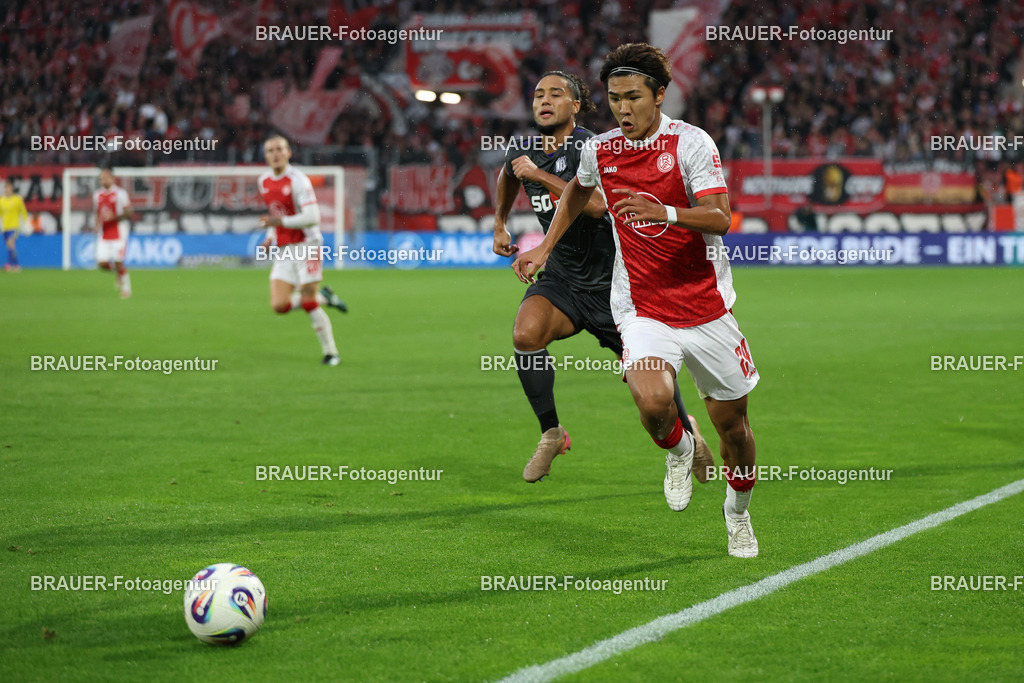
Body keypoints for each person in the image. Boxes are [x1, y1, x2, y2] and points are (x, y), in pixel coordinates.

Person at [513, 43, 761, 558]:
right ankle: (679, 449)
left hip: (707, 308)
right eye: (613, 99)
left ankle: (738, 513)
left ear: (660, 95)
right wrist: (544, 246)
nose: (622, 109)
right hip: (642, 307)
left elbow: (720, 218)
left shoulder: (692, 144)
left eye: (633, 98)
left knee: (733, 427)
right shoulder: (599, 149)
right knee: (652, 404)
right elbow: (579, 192)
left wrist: (665, 212)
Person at [494, 70, 712, 484]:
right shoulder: (522, 148)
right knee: (525, 335)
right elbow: (508, 174)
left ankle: (690, 433)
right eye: (538, 93)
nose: (544, 100)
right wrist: (500, 224)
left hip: (616, 286)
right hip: (563, 279)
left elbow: (595, 204)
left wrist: (538, 175)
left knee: (648, 382)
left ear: (575, 106)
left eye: (556, 94)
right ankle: (552, 433)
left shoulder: (592, 147)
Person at [258, 135, 347, 366]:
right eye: (270, 150)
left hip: (308, 245)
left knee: (308, 303)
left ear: (288, 153)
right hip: (285, 249)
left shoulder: (298, 180)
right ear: (266, 156)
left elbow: (312, 217)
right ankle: (326, 298)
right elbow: (276, 213)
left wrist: (278, 224)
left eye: (280, 149)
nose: (275, 154)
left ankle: (331, 353)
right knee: (279, 305)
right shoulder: (264, 181)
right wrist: (270, 237)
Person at [92, 168, 133, 298]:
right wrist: (96, 225)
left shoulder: (121, 193)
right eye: (101, 178)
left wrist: (113, 217)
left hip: (119, 233)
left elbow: (129, 213)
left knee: (118, 262)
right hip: (104, 234)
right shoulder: (97, 195)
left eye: (105, 178)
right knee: (101, 264)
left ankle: (127, 289)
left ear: (112, 178)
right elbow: (97, 212)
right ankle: (119, 273)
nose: (102, 180)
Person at [1, 180, 28, 272]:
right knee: (10, 247)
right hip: (5, 227)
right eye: (6, 189)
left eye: (9, 189)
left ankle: (9, 264)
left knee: (10, 243)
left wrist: (26, 223)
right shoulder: (1, 201)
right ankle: (16, 265)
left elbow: (23, 211)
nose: (7, 190)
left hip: (15, 226)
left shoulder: (17, 199)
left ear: (11, 189)